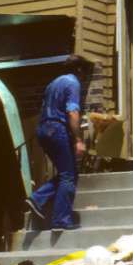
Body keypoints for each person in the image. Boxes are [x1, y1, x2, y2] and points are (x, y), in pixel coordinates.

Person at [27, 55, 93, 231]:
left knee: (67, 173)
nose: (84, 78)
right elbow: (72, 112)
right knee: (69, 176)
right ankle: (61, 219)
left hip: (43, 129)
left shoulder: (53, 83)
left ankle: (39, 198)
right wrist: (78, 139)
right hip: (57, 129)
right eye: (85, 73)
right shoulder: (73, 83)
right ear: (79, 70)